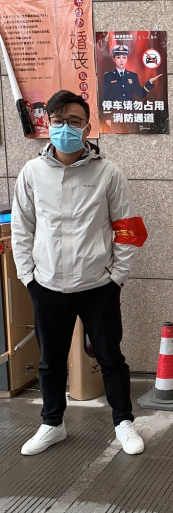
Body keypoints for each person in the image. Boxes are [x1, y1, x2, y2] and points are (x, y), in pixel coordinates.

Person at [11, 89, 148, 456]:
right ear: (48, 125)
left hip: (98, 285)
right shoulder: (32, 173)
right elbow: (22, 229)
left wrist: (116, 277)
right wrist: (28, 277)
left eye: (74, 122)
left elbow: (128, 229)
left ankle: (123, 422)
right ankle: (52, 423)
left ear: (88, 128)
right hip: (47, 284)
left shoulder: (108, 173)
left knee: (110, 357)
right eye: (59, 121)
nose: (66, 128)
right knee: (50, 362)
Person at [101, 43, 162, 109]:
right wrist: (107, 113)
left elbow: (141, 94)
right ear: (114, 59)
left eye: (124, 57)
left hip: (129, 112)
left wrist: (150, 82)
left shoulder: (133, 76)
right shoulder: (108, 76)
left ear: (127, 59)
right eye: (118, 57)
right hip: (115, 111)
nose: (121, 60)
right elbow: (106, 97)